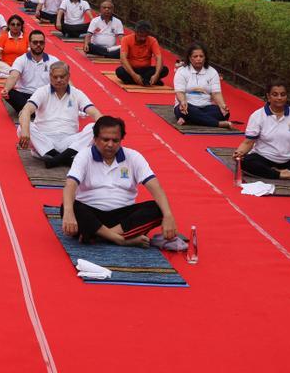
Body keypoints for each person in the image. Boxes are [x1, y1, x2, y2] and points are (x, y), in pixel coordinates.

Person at [61, 115, 178, 246]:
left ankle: (99, 236)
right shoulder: (83, 155)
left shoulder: (133, 157)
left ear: (121, 139)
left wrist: (168, 216)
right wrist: (68, 213)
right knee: (69, 207)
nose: (110, 145)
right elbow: (70, 185)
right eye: (105, 140)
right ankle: (120, 239)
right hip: (92, 214)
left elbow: (155, 186)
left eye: (115, 140)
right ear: (95, 139)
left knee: (157, 208)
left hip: (123, 219)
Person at [233, 81, 290, 181]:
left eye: (283, 94)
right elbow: (248, 142)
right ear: (268, 97)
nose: (279, 98)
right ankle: (284, 175)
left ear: (286, 97)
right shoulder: (257, 116)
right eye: (275, 94)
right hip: (264, 157)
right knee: (245, 162)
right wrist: (239, 153)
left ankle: (282, 172)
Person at [17, 61, 103, 168]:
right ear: (50, 77)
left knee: (95, 127)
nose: (58, 80)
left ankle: (56, 158)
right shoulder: (42, 91)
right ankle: (65, 158)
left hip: (69, 141)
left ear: (68, 76)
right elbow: (26, 110)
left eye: (62, 76)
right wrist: (25, 131)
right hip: (44, 139)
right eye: (55, 77)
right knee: (22, 128)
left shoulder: (77, 93)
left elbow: (95, 112)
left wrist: (104, 126)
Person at [172, 41, 231, 128]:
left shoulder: (212, 72)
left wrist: (222, 105)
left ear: (205, 58)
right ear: (189, 58)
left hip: (205, 106)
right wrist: (183, 102)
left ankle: (190, 119)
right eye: (195, 56)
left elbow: (216, 93)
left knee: (224, 114)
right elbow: (179, 92)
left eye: (201, 56)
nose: (199, 59)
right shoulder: (182, 71)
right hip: (188, 106)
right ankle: (217, 124)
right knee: (184, 110)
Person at [1, 30, 56, 110]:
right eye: (35, 42)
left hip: (44, 96)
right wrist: (6, 90)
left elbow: (64, 78)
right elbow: (13, 76)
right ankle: (38, 111)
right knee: (10, 93)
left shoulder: (53, 60)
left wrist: (72, 93)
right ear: (29, 43)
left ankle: (29, 111)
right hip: (24, 95)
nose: (38, 45)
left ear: (44, 44)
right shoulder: (21, 59)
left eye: (41, 42)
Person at [116, 21, 169, 86]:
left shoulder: (153, 40)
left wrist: (156, 75)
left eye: (145, 36)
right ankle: (146, 81)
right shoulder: (126, 39)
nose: (143, 38)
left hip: (146, 70)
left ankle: (142, 80)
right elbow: (123, 59)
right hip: (132, 69)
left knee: (164, 69)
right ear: (136, 32)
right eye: (141, 35)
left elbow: (159, 58)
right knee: (120, 71)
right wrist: (134, 75)